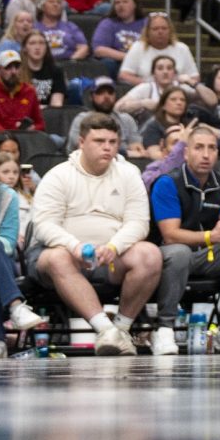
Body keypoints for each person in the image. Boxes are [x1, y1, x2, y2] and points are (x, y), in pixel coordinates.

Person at [27, 113, 164, 356]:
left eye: (112, 142)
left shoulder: (129, 173)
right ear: (81, 142)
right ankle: (105, 329)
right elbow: (44, 225)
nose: (107, 148)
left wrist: (114, 247)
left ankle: (120, 330)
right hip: (64, 256)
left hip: (110, 256)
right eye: (99, 141)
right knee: (58, 257)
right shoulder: (58, 175)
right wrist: (74, 246)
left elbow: (138, 223)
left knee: (150, 254)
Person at [149, 124, 220, 356]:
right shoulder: (167, 183)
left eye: (212, 148)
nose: (206, 155)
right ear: (186, 153)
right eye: (199, 148)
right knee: (179, 251)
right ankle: (165, 329)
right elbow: (170, 234)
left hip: (206, 256)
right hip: (167, 257)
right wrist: (211, 236)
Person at [0, 48, 45, 137]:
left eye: (17, 67)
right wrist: (11, 138)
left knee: (57, 140)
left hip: (24, 137)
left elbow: (40, 123)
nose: (13, 72)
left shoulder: (29, 91)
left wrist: (32, 129)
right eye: (8, 67)